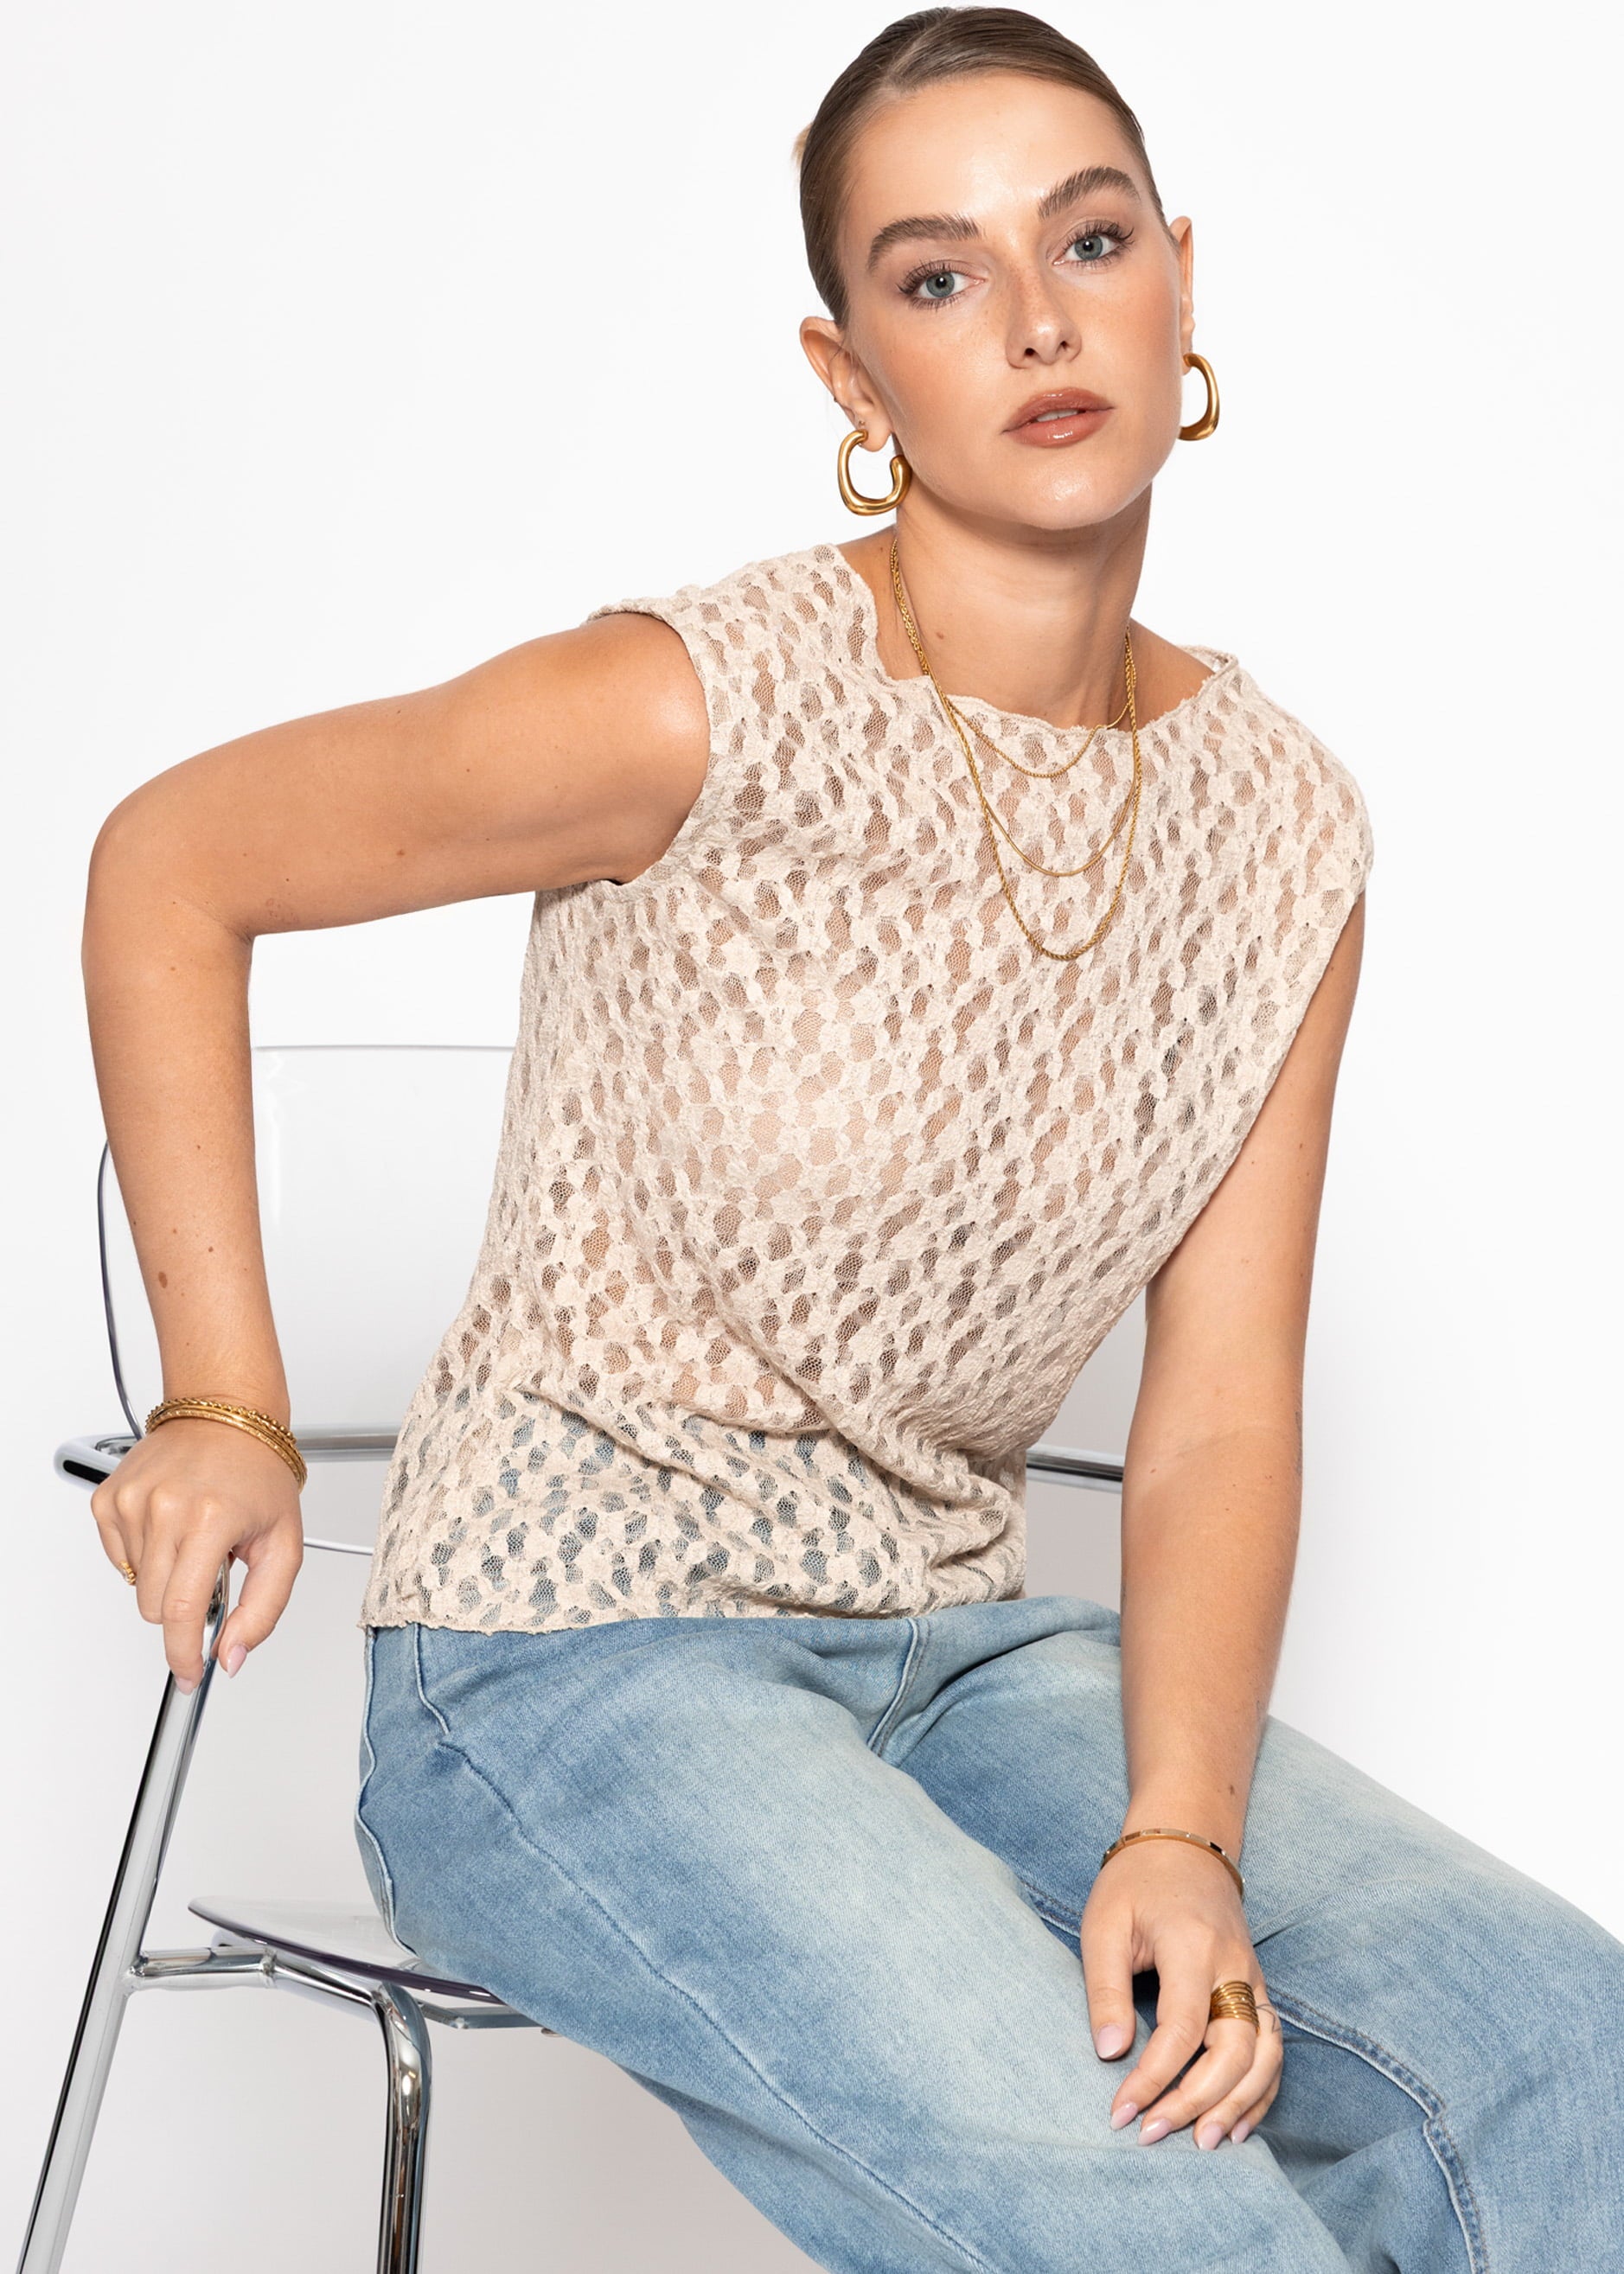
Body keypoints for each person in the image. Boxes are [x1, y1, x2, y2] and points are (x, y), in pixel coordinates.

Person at [80, 8, 1624, 2268]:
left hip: (965, 1653)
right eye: (938, 275)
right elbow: (175, 860)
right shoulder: (687, 705)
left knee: (1565, 2052)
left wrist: (1180, 1827)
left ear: (1180, 281)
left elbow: (1219, 1406)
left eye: (1090, 241)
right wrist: (224, 1399)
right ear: (851, 375)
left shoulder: (1285, 828)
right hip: (567, 1661)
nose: (1037, 320)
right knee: (1169, 2219)